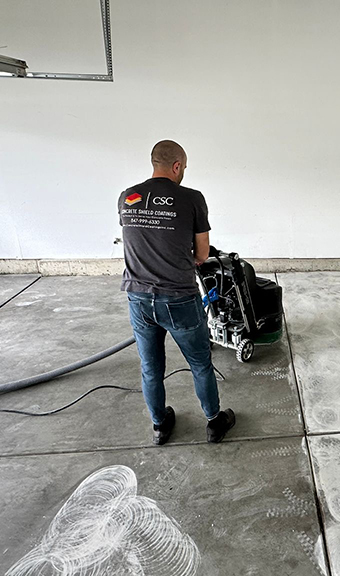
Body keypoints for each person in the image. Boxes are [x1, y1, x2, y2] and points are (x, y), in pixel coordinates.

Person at [118, 140, 236, 445]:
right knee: (199, 363)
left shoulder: (127, 197)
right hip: (179, 298)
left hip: (138, 297)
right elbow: (202, 253)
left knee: (150, 367)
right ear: (177, 166)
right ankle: (214, 422)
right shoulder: (191, 199)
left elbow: (139, 240)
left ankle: (160, 425)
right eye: (183, 167)